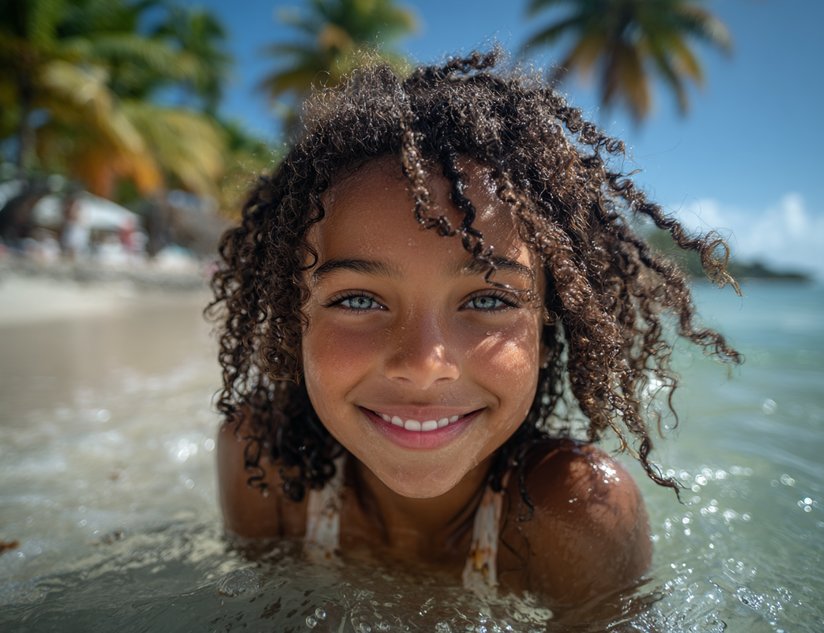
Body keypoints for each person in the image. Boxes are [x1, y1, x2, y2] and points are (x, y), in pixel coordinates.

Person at [207, 50, 741, 606]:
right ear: (296, 319)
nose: (423, 364)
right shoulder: (262, 465)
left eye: (487, 298)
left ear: (546, 330)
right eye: (360, 299)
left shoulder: (575, 513)